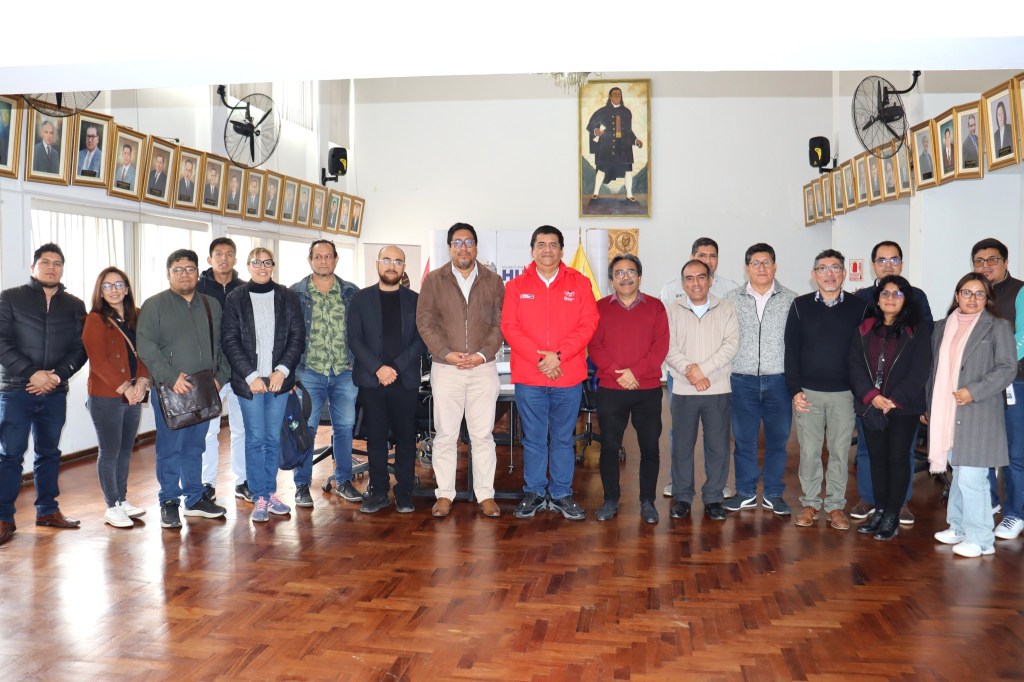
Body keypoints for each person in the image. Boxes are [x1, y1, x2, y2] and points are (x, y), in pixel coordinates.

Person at [501, 226, 599, 520]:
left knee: (563, 439)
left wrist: (559, 356)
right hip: (530, 376)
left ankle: (561, 493)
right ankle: (533, 492)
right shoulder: (515, 286)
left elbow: (589, 323)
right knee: (532, 439)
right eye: (541, 244)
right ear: (532, 250)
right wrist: (540, 358)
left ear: (561, 250)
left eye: (553, 244)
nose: (547, 250)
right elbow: (510, 327)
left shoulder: (579, 283)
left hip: (567, 375)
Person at [137, 249, 231, 530]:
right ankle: (169, 501)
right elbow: (146, 347)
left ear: (198, 272)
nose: (184, 274)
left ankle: (194, 498)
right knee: (170, 449)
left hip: (204, 389)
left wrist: (220, 377)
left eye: (190, 269)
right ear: (168, 274)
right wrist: (169, 377)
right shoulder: (155, 305)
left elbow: (222, 344)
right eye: (177, 269)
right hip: (171, 390)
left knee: (195, 447)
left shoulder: (211, 304)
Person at [0, 244, 87, 546]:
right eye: (45, 262)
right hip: (16, 390)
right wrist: (31, 373)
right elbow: (1, 342)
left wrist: (56, 376)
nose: (51, 267)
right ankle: (3, 517)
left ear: (62, 268)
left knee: (49, 453)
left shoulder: (75, 305)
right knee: (10, 455)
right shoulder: (10, 297)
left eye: (57, 263)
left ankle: (48, 510)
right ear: (33, 267)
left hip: (54, 392)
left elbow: (81, 348)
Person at [416, 223, 505, 518]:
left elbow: (500, 324)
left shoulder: (493, 281)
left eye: (468, 242)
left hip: (483, 368)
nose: (463, 248)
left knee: (483, 436)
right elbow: (425, 322)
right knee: (445, 435)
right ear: (449, 248)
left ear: (476, 247)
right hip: (446, 369)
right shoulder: (434, 280)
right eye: (457, 242)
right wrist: (446, 353)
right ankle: (444, 494)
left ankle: (485, 494)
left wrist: (481, 355)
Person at [928, 273, 1016, 557]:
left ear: (987, 298)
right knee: (959, 472)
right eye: (967, 292)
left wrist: (974, 391)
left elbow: (1007, 368)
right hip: (946, 411)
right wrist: (930, 407)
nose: (972, 298)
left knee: (971, 478)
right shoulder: (942, 326)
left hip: (979, 411)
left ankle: (981, 539)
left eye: (980, 294)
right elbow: (934, 371)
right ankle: (958, 527)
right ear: (957, 295)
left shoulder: (998, 327)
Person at [850, 241, 934, 524]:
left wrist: (895, 398)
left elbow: (923, 348)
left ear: (901, 263)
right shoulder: (861, 297)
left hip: (903, 399)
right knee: (868, 451)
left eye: (894, 259)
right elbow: (856, 352)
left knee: (902, 453)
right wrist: (871, 395)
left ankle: (899, 504)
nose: (888, 265)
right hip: (870, 397)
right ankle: (871, 499)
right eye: (882, 260)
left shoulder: (917, 296)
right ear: (873, 265)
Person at [785, 249, 867, 530]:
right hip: (808, 393)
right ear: (814, 274)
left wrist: (860, 390)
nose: (829, 274)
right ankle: (810, 503)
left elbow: (864, 353)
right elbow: (791, 351)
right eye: (823, 268)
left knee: (839, 452)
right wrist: (794, 389)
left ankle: (834, 506)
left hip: (845, 394)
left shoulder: (860, 307)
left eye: (835, 268)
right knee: (809, 452)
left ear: (843, 273)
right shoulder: (800, 305)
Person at [222, 248, 305, 523]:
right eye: (256, 262)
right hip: (250, 384)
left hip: (280, 381)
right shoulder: (235, 298)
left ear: (273, 266)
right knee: (255, 438)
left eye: (267, 262)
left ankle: (270, 493)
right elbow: (230, 340)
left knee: (272, 439)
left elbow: (297, 337)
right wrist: (251, 376)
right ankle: (259, 495)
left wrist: (282, 371)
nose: (262, 267)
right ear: (248, 266)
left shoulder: (287, 296)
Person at [589, 254, 669, 523]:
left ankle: (647, 501)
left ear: (640, 276)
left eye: (631, 271)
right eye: (619, 273)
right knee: (610, 447)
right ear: (611, 280)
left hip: (647, 389)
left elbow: (660, 346)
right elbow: (594, 346)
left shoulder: (656, 307)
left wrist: (635, 373)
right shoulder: (599, 308)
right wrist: (618, 374)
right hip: (611, 390)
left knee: (650, 448)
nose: (625, 277)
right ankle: (610, 500)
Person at [659, 237, 739, 499]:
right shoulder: (672, 310)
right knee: (682, 446)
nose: (696, 283)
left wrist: (702, 370)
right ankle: (682, 495)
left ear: (710, 280)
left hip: (717, 387)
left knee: (718, 445)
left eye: (701, 278)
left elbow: (731, 345)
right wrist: (691, 373)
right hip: (684, 388)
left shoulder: (726, 309)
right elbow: (668, 346)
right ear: (683, 284)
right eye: (690, 279)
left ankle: (714, 496)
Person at [348, 246, 425, 513]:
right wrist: (378, 369)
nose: (392, 266)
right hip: (372, 381)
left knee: (406, 437)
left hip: (405, 380)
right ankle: (378, 491)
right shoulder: (360, 299)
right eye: (387, 260)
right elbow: (354, 339)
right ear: (377, 264)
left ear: (404, 267)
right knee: (376, 438)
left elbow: (421, 340)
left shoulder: (416, 300)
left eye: (398, 261)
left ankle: (404, 492)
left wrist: (396, 368)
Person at [722, 243, 797, 516]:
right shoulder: (731, 299)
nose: (761, 268)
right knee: (744, 440)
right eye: (755, 263)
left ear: (775, 266)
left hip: (779, 381)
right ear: (747, 268)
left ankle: (773, 494)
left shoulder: (792, 300)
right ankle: (745, 492)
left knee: (778, 440)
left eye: (767, 262)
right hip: (742, 381)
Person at [290, 239, 361, 506]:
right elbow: (287, 335)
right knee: (306, 429)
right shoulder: (295, 293)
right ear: (310, 260)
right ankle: (301, 485)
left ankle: (344, 481)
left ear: (336, 259)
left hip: (344, 371)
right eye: (318, 256)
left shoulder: (351, 292)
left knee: (344, 427)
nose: (323, 261)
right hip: (309, 371)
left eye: (328, 256)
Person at [82, 267, 150, 528]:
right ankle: (112, 506)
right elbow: (98, 361)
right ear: (100, 292)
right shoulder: (95, 319)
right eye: (107, 286)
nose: (114, 290)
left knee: (125, 450)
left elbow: (145, 351)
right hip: (106, 397)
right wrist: (126, 388)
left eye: (119, 284)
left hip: (134, 393)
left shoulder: (137, 316)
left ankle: (122, 499)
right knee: (109, 451)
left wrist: (142, 381)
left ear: (127, 288)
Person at [971, 238, 1024, 540]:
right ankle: (989, 502)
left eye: (992, 260)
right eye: (979, 261)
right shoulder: (974, 293)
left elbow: (1022, 337)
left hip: (1015, 382)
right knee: (983, 448)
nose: (986, 266)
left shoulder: (1020, 291)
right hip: (981, 386)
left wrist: (997, 367)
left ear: (1005, 262)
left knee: (1015, 453)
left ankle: (1015, 513)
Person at [195, 238, 247, 502]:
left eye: (228, 254)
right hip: (210, 373)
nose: (223, 258)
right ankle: (207, 483)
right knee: (208, 431)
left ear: (235, 260)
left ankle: (243, 481)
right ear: (209, 259)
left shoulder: (245, 289)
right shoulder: (197, 289)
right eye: (218, 254)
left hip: (240, 371)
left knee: (241, 429)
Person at [586, 86, 644, 202]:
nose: (617, 96)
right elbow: (590, 125)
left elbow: (628, 131)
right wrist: (595, 130)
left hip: (624, 147)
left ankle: (629, 195)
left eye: (619, 94)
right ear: (610, 97)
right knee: (601, 169)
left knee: (628, 170)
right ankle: (595, 193)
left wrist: (635, 140)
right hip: (606, 146)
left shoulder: (627, 112)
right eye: (615, 94)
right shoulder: (602, 111)